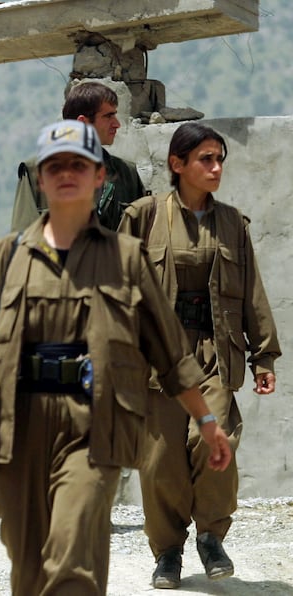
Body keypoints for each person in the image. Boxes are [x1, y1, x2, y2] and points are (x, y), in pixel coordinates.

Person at [0, 120, 232, 595]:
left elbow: (169, 353)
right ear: (40, 178)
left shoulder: (127, 257)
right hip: (15, 426)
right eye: (55, 165)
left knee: (74, 562)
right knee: (30, 570)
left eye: (79, 164)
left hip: (92, 427)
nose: (66, 173)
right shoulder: (7, 255)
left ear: (101, 176)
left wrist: (205, 422)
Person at [117, 121, 281, 589]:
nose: (216, 168)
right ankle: (168, 551)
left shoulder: (232, 222)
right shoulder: (144, 216)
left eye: (220, 159)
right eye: (205, 159)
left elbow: (252, 294)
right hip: (159, 358)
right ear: (177, 165)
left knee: (217, 440)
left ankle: (211, 535)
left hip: (214, 352)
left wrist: (262, 357)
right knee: (161, 457)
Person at [10, 80, 146, 232]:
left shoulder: (128, 174)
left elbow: (142, 235)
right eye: (108, 116)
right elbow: (24, 238)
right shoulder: (36, 171)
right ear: (83, 122)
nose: (117, 124)